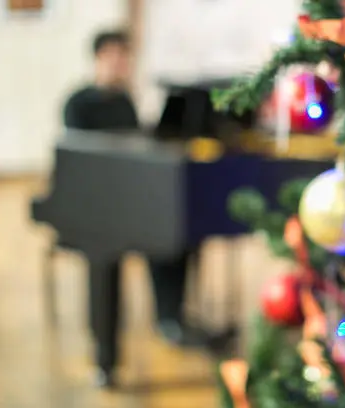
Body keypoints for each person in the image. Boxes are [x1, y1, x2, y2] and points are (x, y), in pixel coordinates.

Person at [62, 30, 228, 350]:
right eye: (113, 56)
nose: (119, 64)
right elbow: (79, 159)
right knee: (155, 234)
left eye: (124, 57)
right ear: (98, 58)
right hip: (95, 203)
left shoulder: (125, 101)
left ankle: (171, 318)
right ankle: (109, 342)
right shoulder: (77, 103)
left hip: (129, 196)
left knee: (175, 233)